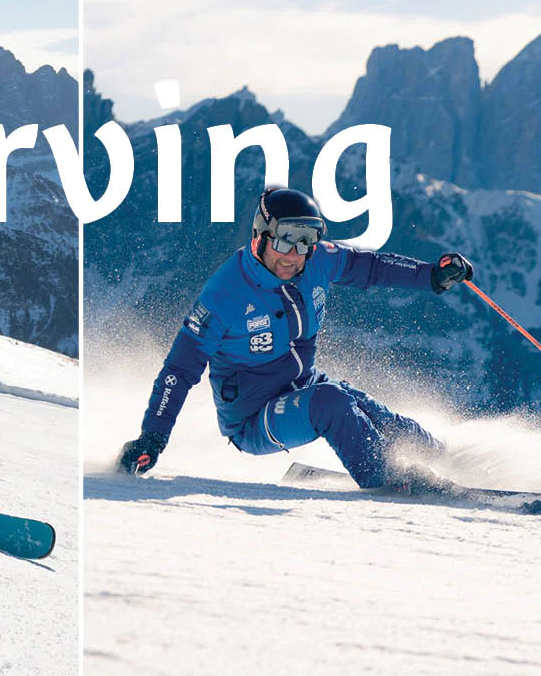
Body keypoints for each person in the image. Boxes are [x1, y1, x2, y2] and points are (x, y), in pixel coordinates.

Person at [117, 187, 474, 490]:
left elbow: (372, 267)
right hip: (254, 418)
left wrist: (431, 276)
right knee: (331, 403)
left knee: (373, 412)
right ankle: (391, 478)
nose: (294, 255)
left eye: (306, 241)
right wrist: (153, 437)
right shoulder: (224, 294)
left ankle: (449, 459)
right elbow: (179, 369)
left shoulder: (316, 260)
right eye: (287, 240)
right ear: (261, 235)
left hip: (304, 385)